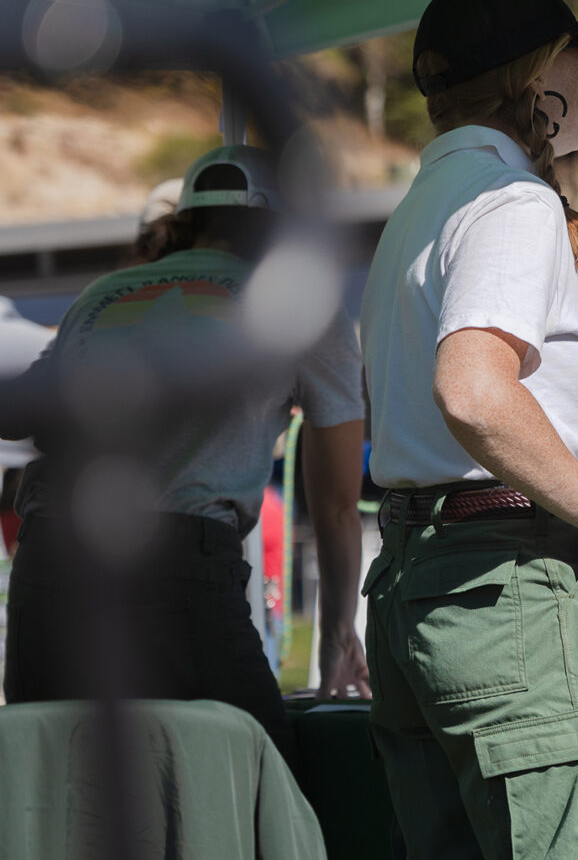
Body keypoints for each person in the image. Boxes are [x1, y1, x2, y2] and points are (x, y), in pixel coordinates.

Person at [360, 0, 578, 859]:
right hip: (512, 591)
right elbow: (475, 391)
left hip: (426, 584)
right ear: (542, 78)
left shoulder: (415, 210)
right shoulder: (513, 200)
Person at [0, 145, 369, 756]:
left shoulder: (103, 293)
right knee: (260, 786)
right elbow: (335, 506)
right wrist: (335, 641)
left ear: (186, 218)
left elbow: (31, 417)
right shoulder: (299, 304)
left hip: (54, 560)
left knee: (55, 799)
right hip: (179, 567)